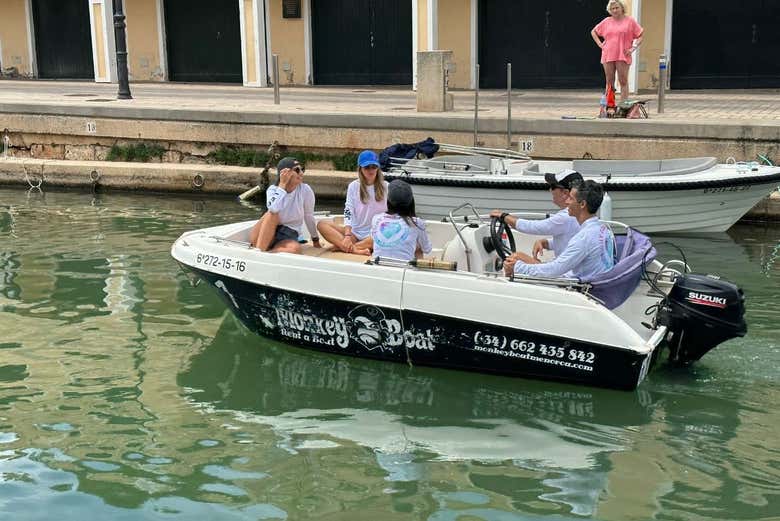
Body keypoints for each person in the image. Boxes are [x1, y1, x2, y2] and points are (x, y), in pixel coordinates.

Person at [504, 180, 615, 280]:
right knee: (517, 258)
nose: (567, 202)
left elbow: (555, 270)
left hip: (578, 288)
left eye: (571, 198)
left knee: (513, 262)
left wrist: (517, 267)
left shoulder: (584, 237)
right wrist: (547, 243)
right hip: (596, 282)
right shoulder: (602, 229)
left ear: (582, 204)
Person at [490, 169, 582, 260]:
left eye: (553, 187)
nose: (550, 190)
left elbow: (533, 227)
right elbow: (569, 241)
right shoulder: (580, 212)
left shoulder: (565, 217)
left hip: (565, 273)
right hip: (569, 269)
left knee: (515, 258)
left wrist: (504, 216)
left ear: (565, 193)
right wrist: (545, 243)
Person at [317, 150, 388, 255]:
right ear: (360, 169)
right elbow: (348, 210)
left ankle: (344, 247)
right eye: (367, 167)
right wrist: (347, 235)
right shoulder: (353, 186)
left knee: (384, 236)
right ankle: (355, 249)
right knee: (321, 224)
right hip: (355, 233)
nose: (371, 170)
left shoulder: (387, 186)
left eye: (374, 166)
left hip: (374, 235)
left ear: (378, 168)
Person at [249, 156, 320, 254]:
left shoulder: (305, 190)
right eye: (297, 170)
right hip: (262, 232)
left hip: (288, 234)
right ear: (285, 173)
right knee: (273, 214)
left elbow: (308, 215)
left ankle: (266, 253)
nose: (301, 173)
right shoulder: (273, 190)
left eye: (302, 169)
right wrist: (282, 185)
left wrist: (315, 240)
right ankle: (259, 252)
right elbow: (273, 208)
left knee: (295, 249)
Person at [590, 0, 643, 103]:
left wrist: (633, 47)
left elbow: (640, 35)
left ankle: (624, 106)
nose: (614, 10)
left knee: (623, 80)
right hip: (608, 53)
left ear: (622, 8)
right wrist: (600, 44)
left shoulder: (630, 21)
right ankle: (610, 106)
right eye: (612, 8)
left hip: (623, 54)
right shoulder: (606, 21)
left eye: (617, 8)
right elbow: (593, 32)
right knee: (609, 81)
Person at [371, 179, 432, 262]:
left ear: (388, 201)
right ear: (411, 202)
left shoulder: (376, 219)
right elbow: (427, 249)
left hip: (378, 266)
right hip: (404, 268)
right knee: (418, 247)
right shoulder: (417, 223)